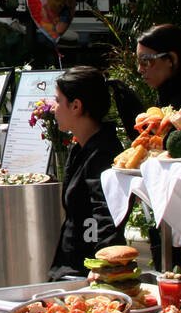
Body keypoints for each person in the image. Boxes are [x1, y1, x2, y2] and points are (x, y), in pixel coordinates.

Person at [49, 66, 127, 281]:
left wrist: (104, 267)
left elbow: (107, 214)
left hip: (87, 274)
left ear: (76, 106)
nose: (53, 108)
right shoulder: (81, 147)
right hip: (71, 266)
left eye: (57, 100)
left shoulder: (104, 152)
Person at [111, 24, 181, 141]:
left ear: (171, 59)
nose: (139, 69)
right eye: (138, 61)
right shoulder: (167, 92)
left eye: (145, 61)